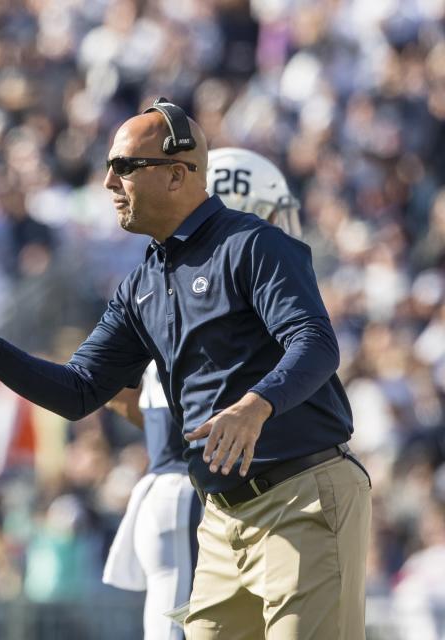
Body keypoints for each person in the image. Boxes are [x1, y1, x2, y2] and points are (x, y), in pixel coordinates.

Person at [0, 100, 371, 639]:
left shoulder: (252, 243)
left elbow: (316, 341)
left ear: (177, 174)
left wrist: (254, 405)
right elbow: (78, 393)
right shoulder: (142, 281)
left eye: (124, 166)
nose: (107, 182)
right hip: (220, 517)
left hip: (301, 493)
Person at [101, 147, 306, 640]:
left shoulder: (164, 282)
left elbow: (115, 391)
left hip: (165, 485)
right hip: (189, 496)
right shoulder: (215, 289)